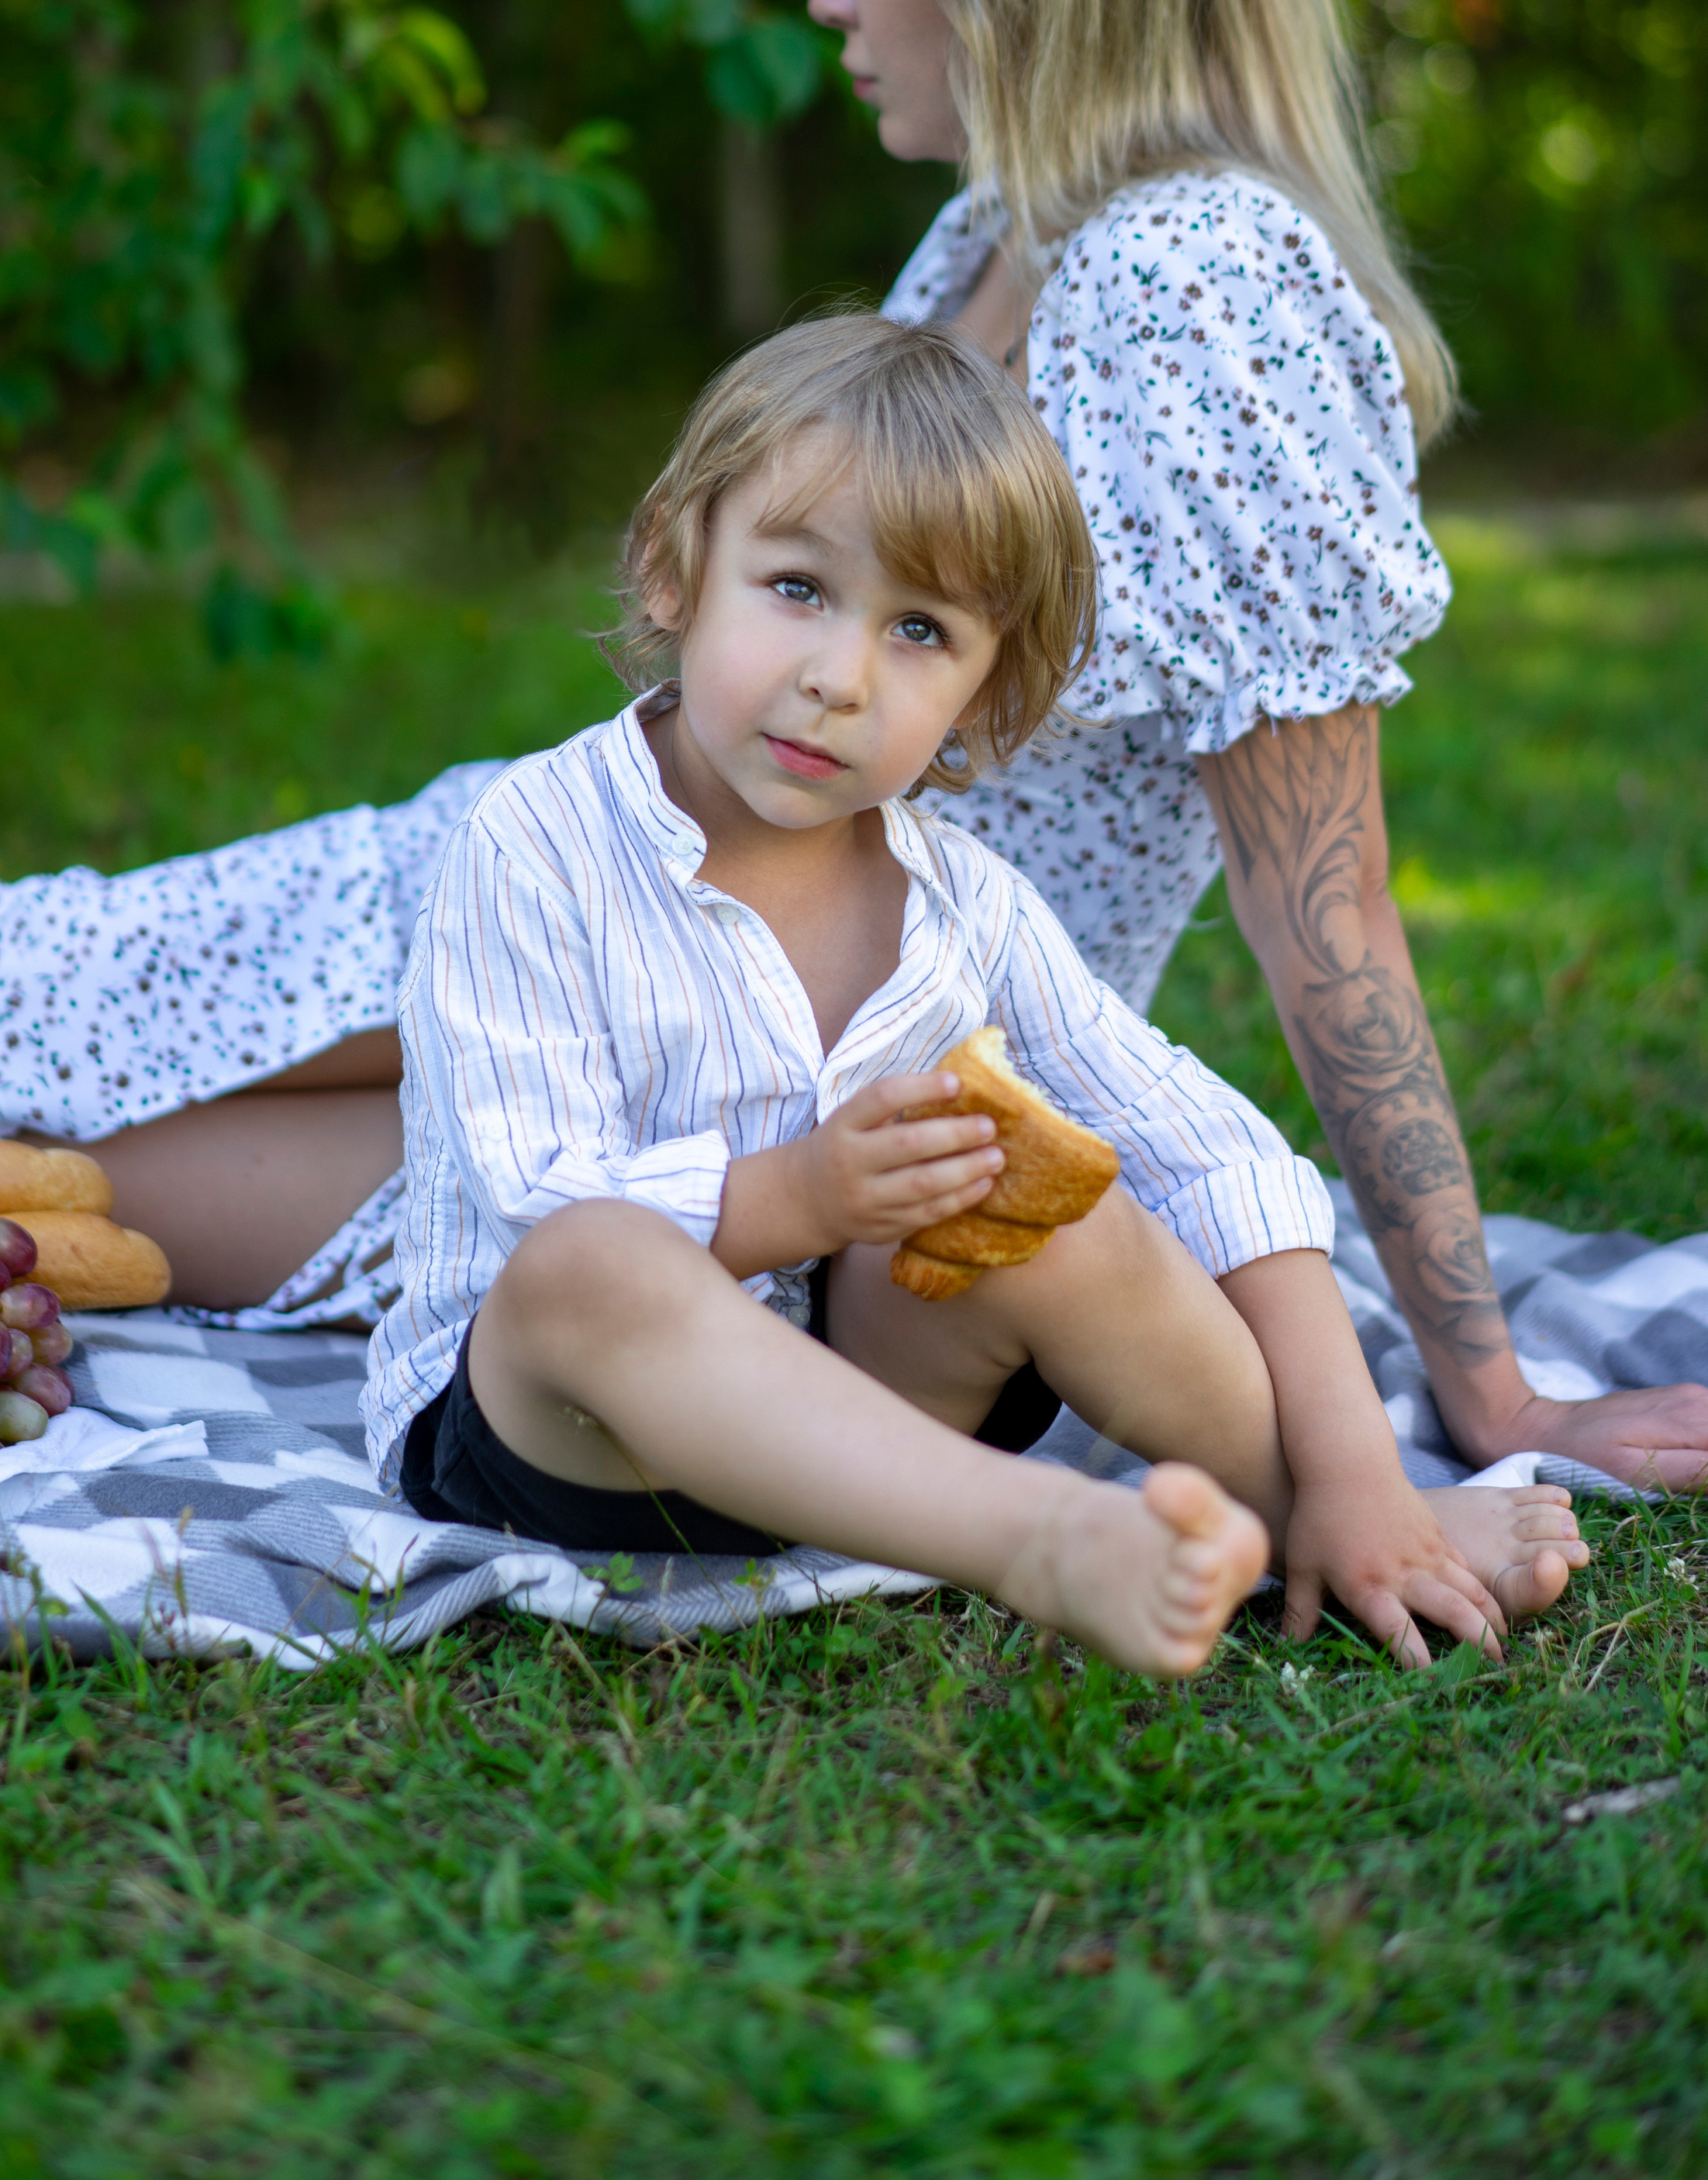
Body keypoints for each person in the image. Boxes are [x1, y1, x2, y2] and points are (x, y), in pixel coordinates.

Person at [0, 0, 1698, 1492]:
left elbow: (1323, 900)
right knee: (5, 982)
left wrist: (1482, 1383)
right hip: (610, 898)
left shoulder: (1199, 282)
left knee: (22, 1169)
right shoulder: (1004, 232)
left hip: (786, 1050)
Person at [370, 308, 1572, 1670]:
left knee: (1065, 1202)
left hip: (869, 1401)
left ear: (989, 700)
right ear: (673, 565)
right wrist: (804, 1197)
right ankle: (1034, 1538)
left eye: (922, 631)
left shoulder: (963, 901)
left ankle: (1324, 1520)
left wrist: (1356, 1460)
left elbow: (1212, 1147)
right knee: (588, 1262)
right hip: (568, 1440)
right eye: (799, 589)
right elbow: (534, 1190)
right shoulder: (534, 844)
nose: (840, 677)